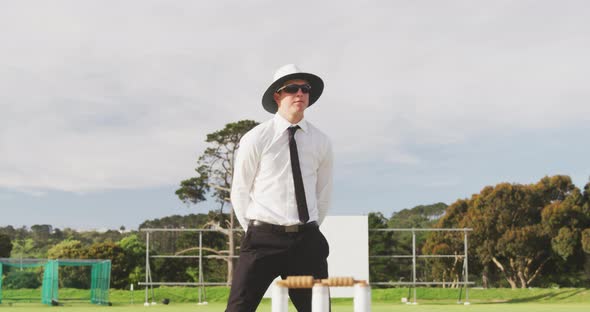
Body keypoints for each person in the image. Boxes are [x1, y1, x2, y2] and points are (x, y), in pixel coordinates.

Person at [226, 64, 333, 312]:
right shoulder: (256, 138)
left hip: (306, 241)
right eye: (292, 89)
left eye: (305, 89)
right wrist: (257, 229)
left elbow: (323, 193)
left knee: (319, 310)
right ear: (277, 95)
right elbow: (240, 191)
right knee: (238, 308)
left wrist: (307, 227)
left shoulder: (321, 141)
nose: (300, 94)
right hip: (262, 239)